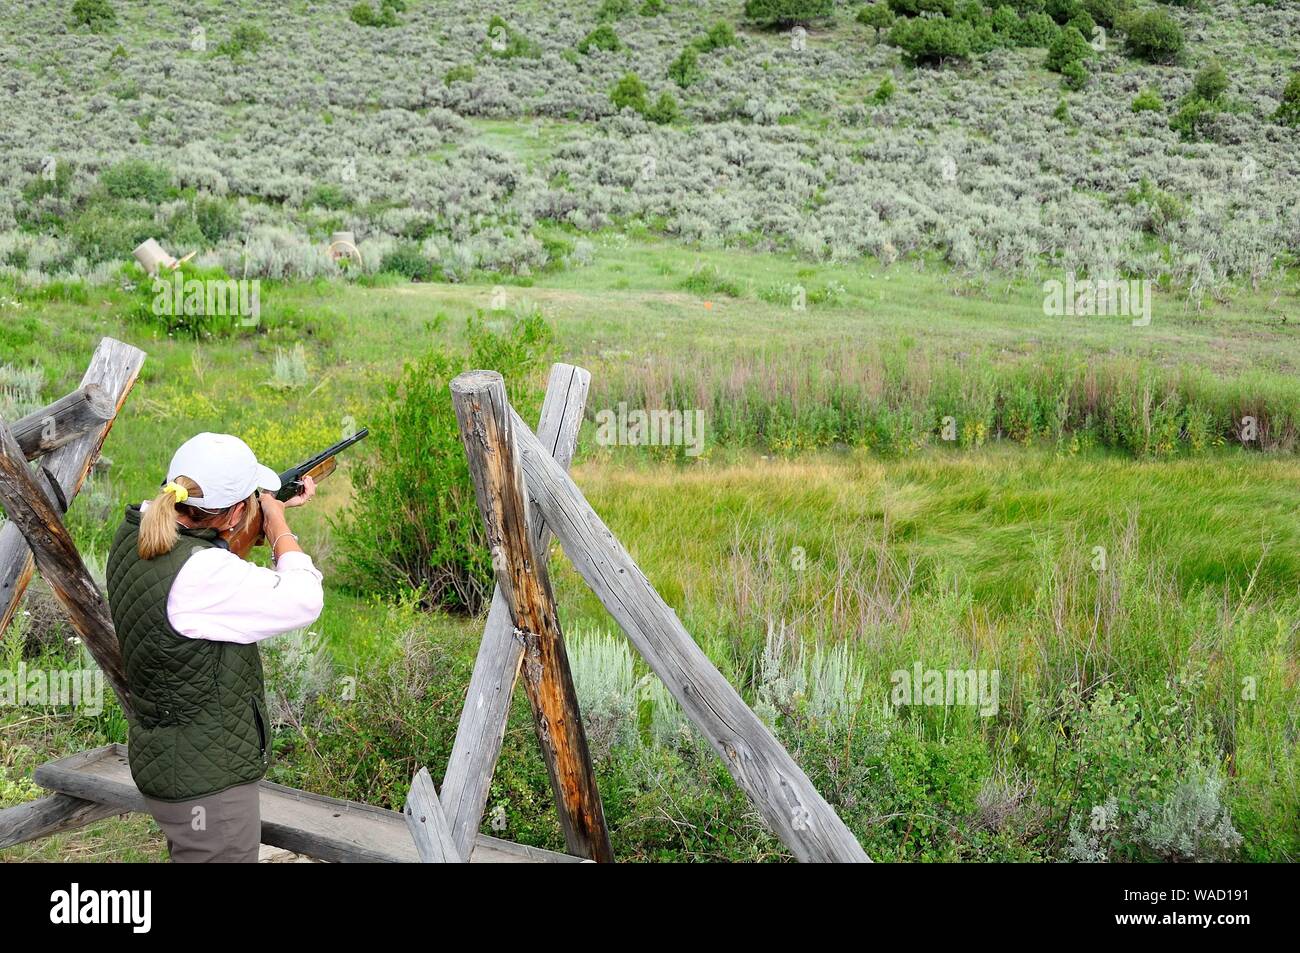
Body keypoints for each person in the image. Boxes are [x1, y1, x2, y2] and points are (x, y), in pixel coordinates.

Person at [105, 432, 323, 862]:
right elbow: (304, 598)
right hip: (209, 787)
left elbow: (212, 564)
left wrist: (255, 519)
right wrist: (277, 523)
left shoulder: (137, 531)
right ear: (237, 511)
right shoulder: (200, 573)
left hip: (171, 763)